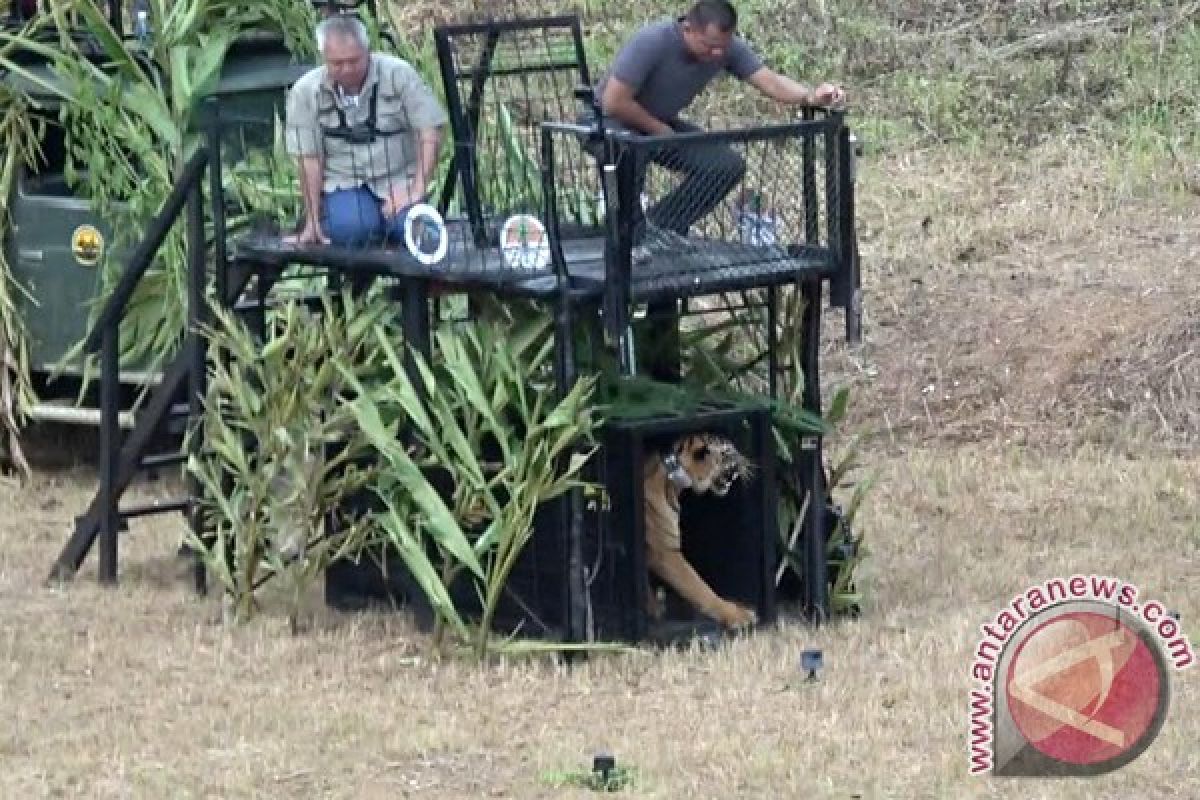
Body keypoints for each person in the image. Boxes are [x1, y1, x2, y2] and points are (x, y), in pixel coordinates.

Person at [591, 0, 846, 256]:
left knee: (724, 165)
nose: (716, 54)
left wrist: (811, 97)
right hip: (609, 123)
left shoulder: (727, 49)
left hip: (660, 125)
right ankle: (627, 241)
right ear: (688, 29)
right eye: (709, 46)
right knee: (631, 154)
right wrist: (658, 131)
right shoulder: (652, 41)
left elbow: (770, 82)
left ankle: (660, 227)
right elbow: (612, 102)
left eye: (721, 47)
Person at [284, 14, 447, 247]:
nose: (347, 69)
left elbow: (430, 130)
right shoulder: (305, 92)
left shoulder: (399, 74)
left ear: (368, 51)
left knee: (419, 233)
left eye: (354, 60)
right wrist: (312, 220)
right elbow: (309, 158)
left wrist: (417, 188)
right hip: (344, 183)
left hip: (399, 180)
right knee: (352, 229)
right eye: (337, 64)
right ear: (324, 58)